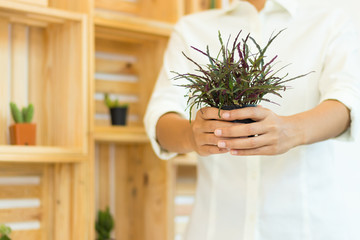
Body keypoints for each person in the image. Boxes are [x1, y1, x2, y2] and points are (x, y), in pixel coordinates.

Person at [144, 0, 360, 239]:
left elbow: (346, 101)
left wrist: (291, 130)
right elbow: (161, 115)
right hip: (217, 229)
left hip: (308, 228)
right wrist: (192, 136)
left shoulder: (329, 21)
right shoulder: (191, 28)